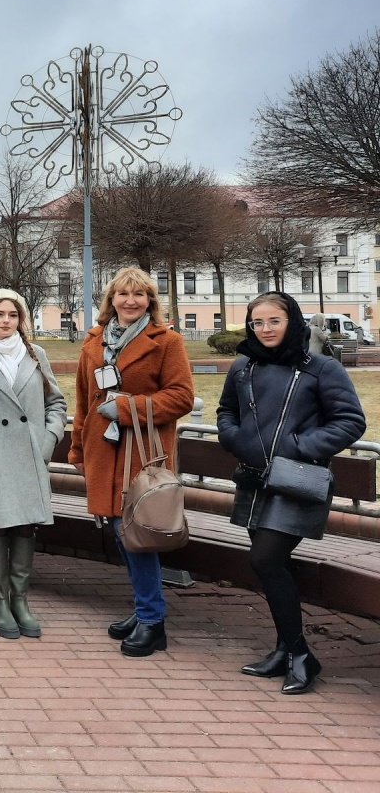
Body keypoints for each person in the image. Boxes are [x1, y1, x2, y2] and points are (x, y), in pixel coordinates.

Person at [217, 292, 365, 694]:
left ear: (292, 321)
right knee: (270, 564)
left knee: (264, 559)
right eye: (257, 323)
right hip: (254, 479)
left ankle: (301, 655)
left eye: (274, 321)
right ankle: (286, 650)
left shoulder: (321, 368)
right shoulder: (243, 366)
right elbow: (226, 410)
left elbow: (350, 421)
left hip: (297, 480)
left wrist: (298, 446)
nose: (264, 329)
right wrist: (234, 438)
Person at [69, 267, 194, 658]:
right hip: (103, 451)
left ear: (149, 301)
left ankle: (153, 621)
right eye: (123, 294)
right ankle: (144, 610)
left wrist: (127, 408)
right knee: (121, 531)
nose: (130, 301)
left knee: (135, 531)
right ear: (111, 299)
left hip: (141, 453)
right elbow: (83, 399)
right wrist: (77, 449)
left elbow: (182, 397)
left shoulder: (166, 341)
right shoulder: (94, 341)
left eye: (139, 294)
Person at [0, 289, 66, 639]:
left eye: (12, 314)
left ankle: (20, 600)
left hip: (29, 454)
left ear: (21, 319)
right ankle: (0, 602)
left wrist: (48, 439)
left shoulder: (36, 354)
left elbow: (56, 402)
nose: (6, 321)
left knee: (25, 526)